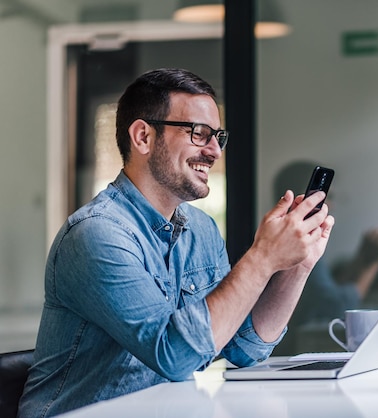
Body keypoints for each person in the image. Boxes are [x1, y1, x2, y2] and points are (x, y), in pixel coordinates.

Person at [18, 68, 334, 417]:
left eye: (217, 136)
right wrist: (262, 257)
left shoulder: (201, 230)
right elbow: (175, 356)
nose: (215, 150)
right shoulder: (96, 235)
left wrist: (297, 265)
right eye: (199, 133)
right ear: (142, 137)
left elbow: (244, 347)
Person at [271, 161, 378, 350]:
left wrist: (362, 259)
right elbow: (335, 305)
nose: (331, 206)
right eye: (325, 197)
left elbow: (327, 291)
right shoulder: (294, 244)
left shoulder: (281, 237)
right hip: (287, 352)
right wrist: (374, 264)